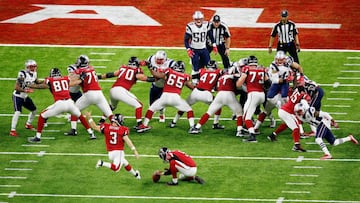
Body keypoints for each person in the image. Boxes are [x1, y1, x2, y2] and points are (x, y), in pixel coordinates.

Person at [28, 68, 95, 143]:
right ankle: (91, 133)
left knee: (42, 115)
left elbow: (42, 86)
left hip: (59, 104)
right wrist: (81, 79)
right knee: (80, 116)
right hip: (70, 103)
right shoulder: (66, 78)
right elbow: (74, 83)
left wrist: (30, 85)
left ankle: (38, 137)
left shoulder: (50, 80)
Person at [98, 56, 154, 133]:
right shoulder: (136, 70)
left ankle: (101, 121)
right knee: (139, 105)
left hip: (113, 89)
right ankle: (140, 125)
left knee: (112, 107)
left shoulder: (123, 68)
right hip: (121, 91)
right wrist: (158, 78)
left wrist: (98, 77)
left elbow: (110, 74)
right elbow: (145, 78)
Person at [66, 55, 113, 139]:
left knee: (74, 109)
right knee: (109, 113)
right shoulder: (91, 68)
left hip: (89, 94)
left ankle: (73, 129)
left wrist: (77, 77)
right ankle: (116, 128)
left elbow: (71, 81)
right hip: (99, 93)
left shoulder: (79, 71)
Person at [141, 61, 196, 132]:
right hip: (176, 98)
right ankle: (192, 127)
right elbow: (192, 87)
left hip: (164, 96)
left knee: (151, 109)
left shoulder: (169, 71)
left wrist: (150, 66)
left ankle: (144, 125)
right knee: (189, 110)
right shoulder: (186, 76)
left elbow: (156, 74)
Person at [189, 65, 244, 136]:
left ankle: (197, 128)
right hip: (229, 94)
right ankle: (239, 131)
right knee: (239, 113)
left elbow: (215, 88)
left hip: (219, 95)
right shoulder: (235, 76)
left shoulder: (221, 77)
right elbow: (239, 85)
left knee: (209, 112)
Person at [169, 60, 224, 129]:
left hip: (195, 92)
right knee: (217, 106)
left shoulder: (202, 70)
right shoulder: (218, 71)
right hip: (206, 94)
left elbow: (194, 76)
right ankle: (214, 124)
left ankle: (173, 122)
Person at [84, 112, 141, 179]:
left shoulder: (106, 127)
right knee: (116, 168)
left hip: (110, 153)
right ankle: (101, 163)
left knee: (125, 162)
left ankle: (136, 175)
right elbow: (127, 140)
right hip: (118, 152)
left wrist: (89, 118)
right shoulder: (122, 130)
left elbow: (94, 127)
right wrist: (134, 150)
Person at [294, 102, 358, 159]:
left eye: (300, 111)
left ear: (303, 108)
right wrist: (308, 134)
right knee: (334, 142)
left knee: (318, 139)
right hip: (320, 125)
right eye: (297, 112)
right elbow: (313, 124)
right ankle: (349, 138)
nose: (299, 113)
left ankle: (327, 154)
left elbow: (325, 114)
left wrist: (333, 121)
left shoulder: (310, 111)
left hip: (323, 123)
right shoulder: (301, 117)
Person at [236, 56, 271, 142]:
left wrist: (240, 81)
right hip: (262, 95)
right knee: (248, 112)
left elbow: (239, 84)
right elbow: (268, 83)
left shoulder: (246, 69)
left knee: (246, 117)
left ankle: (252, 135)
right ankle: (255, 129)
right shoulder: (262, 69)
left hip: (253, 94)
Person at [267, 86, 310, 152]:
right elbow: (305, 102)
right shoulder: (302, 95)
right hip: (286, 112)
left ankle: (273, 135)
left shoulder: (296, 92)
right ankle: (297, 145)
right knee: (296, 128)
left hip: (284, 110)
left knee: (286, 124)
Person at [10, 59, 43, 137]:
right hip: (18, 96)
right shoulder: (22, 74)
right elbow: (16, 87)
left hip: (24, 96)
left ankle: (28, 124)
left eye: (34, 66)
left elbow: (37, 81)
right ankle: (12, 130)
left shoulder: (34, 73)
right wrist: (25, 90)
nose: (34, 68)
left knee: (34, 110)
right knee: (17, 112)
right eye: (32, 67)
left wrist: (46, 81)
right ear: (28, 67)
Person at [141, 50, 175, 123]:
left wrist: (161, 73)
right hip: (155, 84)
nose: (159, 61)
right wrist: (144, 63)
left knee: (161, 103)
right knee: (151, 103)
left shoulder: (170, 63)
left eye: (161, 59)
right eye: (157, 59)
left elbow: (169, 76)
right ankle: (152, 112)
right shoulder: (151, 59)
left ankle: (161, 114)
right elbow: (147, 63)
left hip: (164, 86)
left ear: (165, 58)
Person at [185, 10, 217, 84]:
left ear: (202, 19)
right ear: (194, 19)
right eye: (197, 19)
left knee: (209, 65)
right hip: (194, 49)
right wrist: (188, 49)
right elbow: (186, 40)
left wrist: (214, 45)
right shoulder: (190, 26)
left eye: (200, 19)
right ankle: (195, 82)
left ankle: (208, 81)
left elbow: (210, 35)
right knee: (195, 66)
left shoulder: (207, 25)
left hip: (203, 48)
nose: (198, 21)